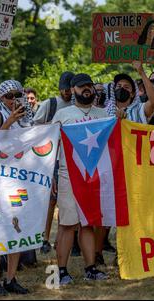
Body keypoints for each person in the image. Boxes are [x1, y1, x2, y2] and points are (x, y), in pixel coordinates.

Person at [51, 73, 110, 284]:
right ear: (73, 90)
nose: (87, 89)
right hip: (68, 175)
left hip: (94, 177)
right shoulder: (62, 114)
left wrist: (120, 121)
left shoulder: (103, 114)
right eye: (82, 86)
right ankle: (62, 271)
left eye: (89, 86)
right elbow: (50, 147)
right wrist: (52, 174)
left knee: (88, 223)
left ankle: (90, 268)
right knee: (67, 224)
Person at [0, 80, 34, 296]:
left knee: (17, 229)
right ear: (1, 98)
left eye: (17, 94)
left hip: (20, 181)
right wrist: (11, 121)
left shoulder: (27, 119)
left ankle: (11, 278)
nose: (13, 99)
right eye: (9, 96)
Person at [33, 71, 75, 255]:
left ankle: (65, 240)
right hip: (51, 158)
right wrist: (52, 127)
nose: (67, 93)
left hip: (70, 157)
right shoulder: (49, 104)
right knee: (50, 201)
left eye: (69, 89)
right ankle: (44, 238)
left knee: (68, 201)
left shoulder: (76, 104)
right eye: (64, 89)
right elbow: (34, 127)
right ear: (59, 89)